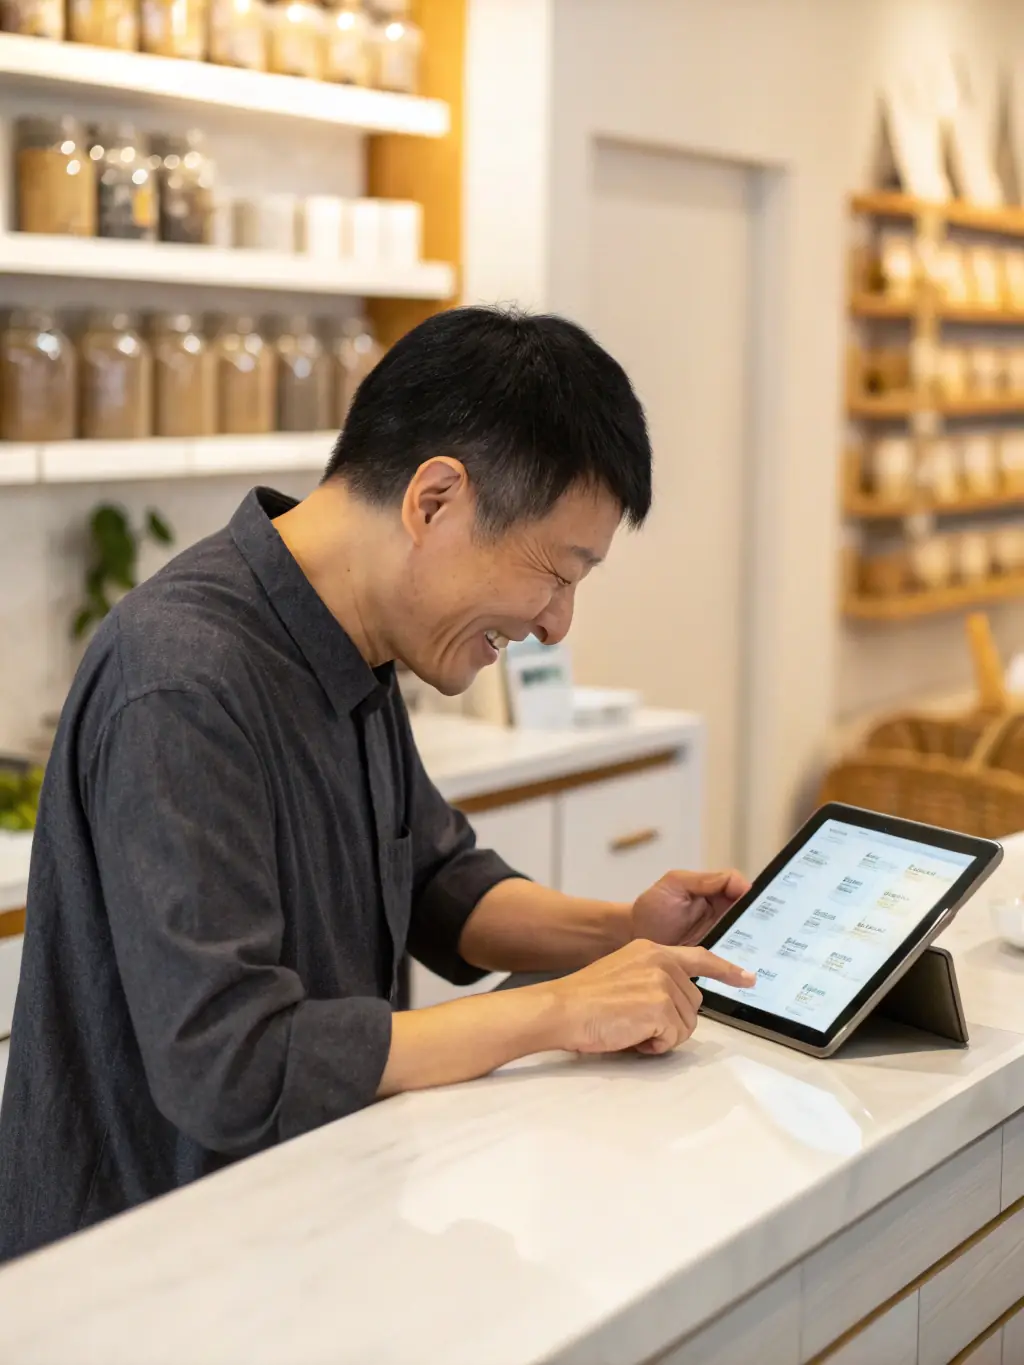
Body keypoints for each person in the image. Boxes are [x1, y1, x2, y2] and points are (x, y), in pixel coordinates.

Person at [0, 306, 753, 1262]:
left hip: (304, 1225)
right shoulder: (183, 680)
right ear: (434, 500)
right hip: (142, 1272)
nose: (559, 624)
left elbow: (440, 880)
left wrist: (624, 932)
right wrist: (556, 1010)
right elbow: (231, 1063)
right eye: (558, 573)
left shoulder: (353, 643)